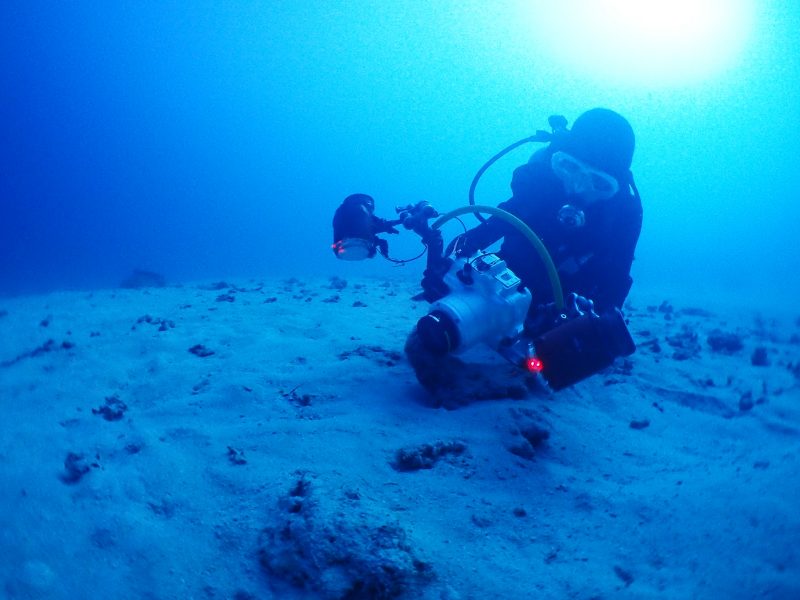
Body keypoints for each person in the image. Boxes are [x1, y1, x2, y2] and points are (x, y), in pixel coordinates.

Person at [406, 107, 643, 403]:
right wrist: (449, 264)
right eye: (569, 168)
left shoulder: (623, 214)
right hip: (515, 272)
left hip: (566, 300)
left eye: (599, 183)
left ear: (616, 187)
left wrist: (596, 331)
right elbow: (500, 220)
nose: (577, 187)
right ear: (557, 160)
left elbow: (616, 278)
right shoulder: (542, 181)